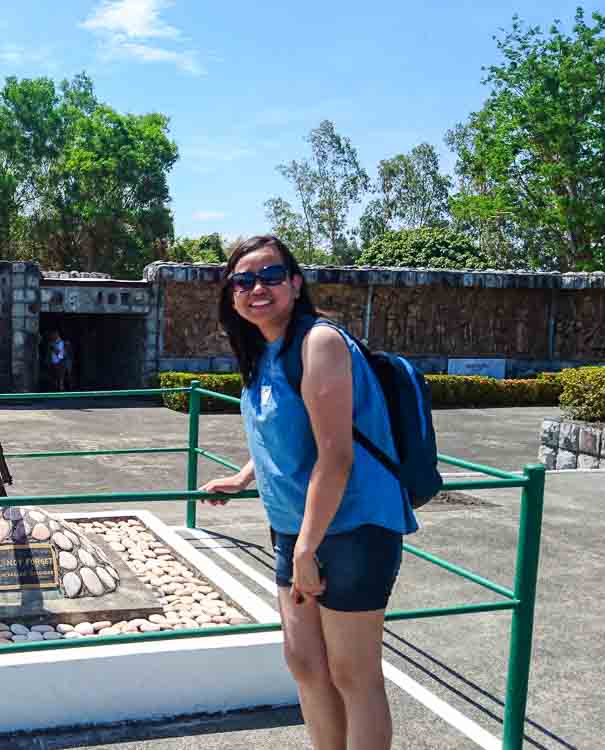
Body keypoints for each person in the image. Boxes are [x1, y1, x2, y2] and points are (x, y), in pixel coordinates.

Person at [199, 235, 417, 750]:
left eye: (272, 276)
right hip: (296, 528)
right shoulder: (264, 352)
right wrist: (243, 477)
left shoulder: (318, 342)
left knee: (352, 674)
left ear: (296, 284)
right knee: (305, 663)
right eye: (244, 280)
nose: (258, 288)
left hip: (354, 526)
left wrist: (306, 548)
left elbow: (336, 453)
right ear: (231, 293)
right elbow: (289, 432)